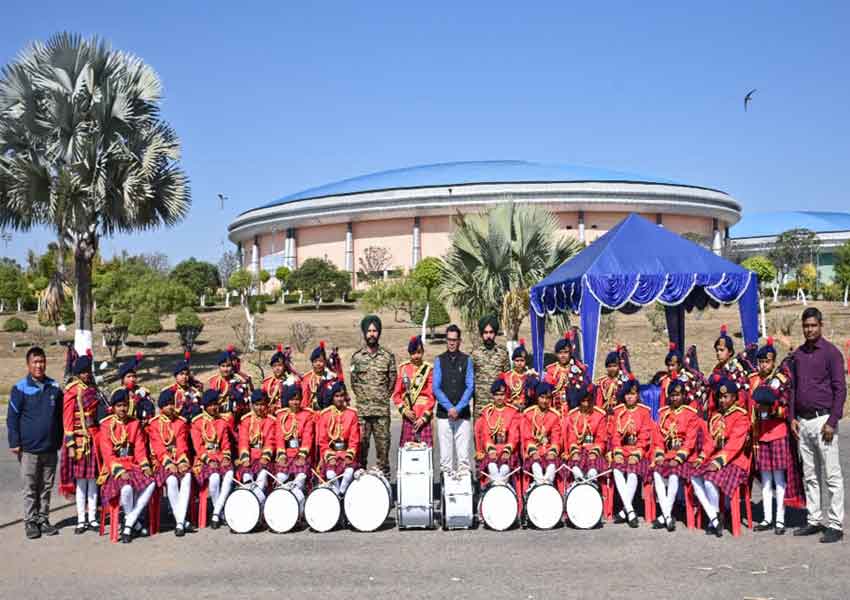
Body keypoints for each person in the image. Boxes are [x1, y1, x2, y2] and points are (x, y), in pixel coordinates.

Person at [790, 307, 845, 543]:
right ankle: (814, 519)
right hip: (803, 422)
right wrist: (792, 416)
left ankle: (835, 523)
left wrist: (833, 420)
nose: (809, 329)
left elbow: (840, 389)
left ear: (820, 325)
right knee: (810, 474)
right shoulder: (798, 355)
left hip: (824, 421)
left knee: (832, 475)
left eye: (813, 325)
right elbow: (793, 388)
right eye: (806, 325)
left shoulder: (831, 353)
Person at [8, 346, 63, 540]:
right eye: (35, 362)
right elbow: (12, 418)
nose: (39, 365)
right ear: (28, 364)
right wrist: (14, 442)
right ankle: (30, 521)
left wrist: (59, 441)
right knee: (30, 487)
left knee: (46, 487)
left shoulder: (55, 388)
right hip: (29, 449)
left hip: (50, 448)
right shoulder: (20, 388)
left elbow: (59, 417)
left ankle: (43, 519)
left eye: (42, 361)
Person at [749, 337, 802, 535]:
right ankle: (766, 518)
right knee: (765, 479)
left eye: (767, 361)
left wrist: (772, 409)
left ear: (773, 362)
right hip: (762, 434)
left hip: (778, 433)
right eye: (761, 361)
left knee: (779, 479)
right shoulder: (756, 381)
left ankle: (780, 520)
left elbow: (786, 406)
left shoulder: (781, 379)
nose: (763, 365)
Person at [690, 378, 751, 537]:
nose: (722, 400)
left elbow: (735, 444)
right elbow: (710, 442)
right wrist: (701, 457)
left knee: (710, 480)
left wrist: (718, 462)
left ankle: (714, 519)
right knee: (694, 476)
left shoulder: (741, 416)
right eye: (720, 397)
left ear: (734, 398)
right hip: (717, 459)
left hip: (735, 461)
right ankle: (715, 517)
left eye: (726, 397)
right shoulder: (716, 416)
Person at [97, 388, 156, 543]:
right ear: (113, 407)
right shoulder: (105, 425)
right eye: (118, 406)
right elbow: (108, 455)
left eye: (124, 405)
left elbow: (140, 449)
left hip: (133, 465)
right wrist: (119, 471)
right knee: (127, 488)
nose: (122, 409)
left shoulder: (134, 423)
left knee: (151, 482)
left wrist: (145, 466)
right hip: (114, 469)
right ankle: (134, 524)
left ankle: (129, 523)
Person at [652, 378, 702, 532]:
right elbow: (658, 438)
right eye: (672, 395)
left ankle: (665, 515)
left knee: (673, 475)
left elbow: (690, 441)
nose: (675, 398)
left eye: (678, 395)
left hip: (683, 457)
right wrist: (660, 455)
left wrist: (679, 458)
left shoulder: (690, 414)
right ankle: (668, 516)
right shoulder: (663, 414)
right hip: (666, 454)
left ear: (683, 396)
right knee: (656, 473)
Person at [349, 315, 396, 478]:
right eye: (369, 331)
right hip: (363, 412)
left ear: (379, 333)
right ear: (364, 333)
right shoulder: (357, 357)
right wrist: (365, 398)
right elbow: (353, 382)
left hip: (381, 412)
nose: (372, 334)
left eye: (375, 331)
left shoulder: (388, 357)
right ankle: (359, 485)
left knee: (383, 453)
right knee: (360, 451)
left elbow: (392, 382)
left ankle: (385, 488)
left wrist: (380, 397)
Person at [60, 351, 101, 534]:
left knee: (93, 481)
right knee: (80, 483)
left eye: (88, 371)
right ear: (77, 373)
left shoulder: (93, 389)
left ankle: (92, 518)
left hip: (92, 439)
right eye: (83, 371)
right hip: (78, 440)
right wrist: (70, 444)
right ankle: (81, 519)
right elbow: (67, 418)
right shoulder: (72, 390)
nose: (86, 374)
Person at [610, 375, 654, 528]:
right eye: (627, 394)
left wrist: (637, 453)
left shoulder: (644, 412)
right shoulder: (618, 411)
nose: (630, 397)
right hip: (622, 449)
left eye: (633, 394)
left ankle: (625, 511)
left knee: (633, 471)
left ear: (638, 396)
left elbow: (645, 436)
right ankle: (630, 510)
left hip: (637, 451)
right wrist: (618, 452)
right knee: (616, 468)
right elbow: (614, 434)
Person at [148, 389, 193, 537]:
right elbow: (158, 447)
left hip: (179, 459)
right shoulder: (154, 424)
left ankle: (179, 522)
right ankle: (181, 521)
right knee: (172, 480)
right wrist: (168, 463)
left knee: (187, 477)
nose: (170, 407)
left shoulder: (180, 423)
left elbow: (182, 444)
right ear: (161, 407)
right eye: (167, 404)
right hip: (162, 462)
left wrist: (181, 461)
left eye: (172, 403)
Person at [433, 324, 475, 473]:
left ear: (459, 341)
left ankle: (464, 493)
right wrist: (449, 407)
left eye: (454, 340)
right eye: (449, 339)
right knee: (445, 460)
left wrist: (458, 408)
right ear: (446, 340)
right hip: (444, 415)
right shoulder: (439, 360)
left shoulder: (467, 360)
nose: (451, 343)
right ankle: (447, 492)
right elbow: (436, 388)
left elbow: (470, 386)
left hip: (462, 415)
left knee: (463, 459)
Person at [191, 390, 235, 529]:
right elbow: (198, 447)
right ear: (204, 406)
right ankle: (220, 513)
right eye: (210, 405)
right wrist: (209, 460)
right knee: (215, 477)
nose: (214, 407)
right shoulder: (197, 423)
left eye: (216, 404)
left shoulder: (222, 422)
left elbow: (226, 444)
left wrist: (226, 457)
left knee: (230, 474)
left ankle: (216, 512)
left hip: (220, 456)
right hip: (203, 460)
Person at [316, 382, 360, 495]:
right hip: (331, 453)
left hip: (346, 453)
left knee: (349, 472)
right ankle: (336, 495)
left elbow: (354, 439)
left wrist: (349, 455)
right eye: (336, 396)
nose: (340, 399)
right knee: (331, 475)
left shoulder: (352, 414)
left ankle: (341, 493)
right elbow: (323, 441)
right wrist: (330, 456)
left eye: (341, 395)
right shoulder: (325, 415)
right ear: (332, 397)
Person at [391, 335, 435, 446]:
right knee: (408, 451)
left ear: (423, 352)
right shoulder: (404, 369)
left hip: (424, 416)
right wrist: (405, 411)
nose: (416, 356)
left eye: (419, 352)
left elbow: (431, 396)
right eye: (413, 353)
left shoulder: (428, 369)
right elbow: (396, 395)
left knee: (425, 451)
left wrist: (424, 418)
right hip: (409, 416)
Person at [475, 379, 521, 483]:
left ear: (506, 395)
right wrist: (491, 450)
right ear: (493, 396)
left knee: (505, 469)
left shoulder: (513, 412)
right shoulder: (487, 412)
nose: (499, 397)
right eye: (496, 395)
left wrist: (507, 450)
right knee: (492, 467)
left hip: (508, 450)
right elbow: (485, 434)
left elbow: (514, 435)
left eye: (502, 394)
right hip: (491, 450)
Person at [273, 385, 314, 492]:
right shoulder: (281, 416)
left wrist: (302, 455)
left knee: (300, 478)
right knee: (281, 478)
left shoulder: (307, 415)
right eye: (292, 399)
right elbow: (279, 437)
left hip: (301, 453)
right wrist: (281, 455)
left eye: (297, 399)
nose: (295, 402)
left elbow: (307, 437)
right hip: (286, 453)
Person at [563, 383, 608, 484]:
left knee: (593, 469)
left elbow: (601, 439)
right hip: (577, 450)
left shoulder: (600, 415)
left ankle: (592, 485)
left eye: (589, 401)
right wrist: (574, 452)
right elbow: (571, 438)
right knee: (575, 467)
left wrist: (594, 452)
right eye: (583, 401)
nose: (586, 404)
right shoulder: (572, 415)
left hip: (594, 451)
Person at [521, 381, 562, 485]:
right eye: (542, 397)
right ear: (537, 397)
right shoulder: (528, 414)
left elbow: (556, 438)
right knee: (536, 469)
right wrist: (533, 452)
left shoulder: (555, 416)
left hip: (549, 451)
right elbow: (527, 438)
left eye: (548, 398)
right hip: (533, 452)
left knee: (551, 469)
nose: (545, 401)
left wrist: (552, 452)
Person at [470, 315, 510, 419]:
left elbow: (508, 379)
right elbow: (469, 379)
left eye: (491, 332)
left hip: (498, 405)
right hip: (480, 408)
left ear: (495, 333)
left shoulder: (503, 353)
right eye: (485, 332)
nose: (488, 336)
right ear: (481, 334)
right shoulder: (475, 353)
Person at [235, 390, 275, 492]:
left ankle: (257, 501)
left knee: (262, 478)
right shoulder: (246, 420)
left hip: (264, 457)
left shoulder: (270, 421)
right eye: (256, 405)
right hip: (249, 457)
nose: (259, 408)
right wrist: (245, 458)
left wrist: (265, 457)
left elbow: (270, 442)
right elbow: (243, 441)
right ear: (252, 405)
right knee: (247, 478)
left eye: (262, 405)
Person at [105, 353, 156, 428]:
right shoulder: (117, 392)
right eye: (128, 377)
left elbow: (150, 409)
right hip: (122, 426)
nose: (132, 379)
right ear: (122, 379)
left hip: (140, 426)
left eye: (134, 376)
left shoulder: (143, 391)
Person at [708, 325, 750, 415]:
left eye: (722, 350)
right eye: (717, 350)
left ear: (730, 352)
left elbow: (742, 395)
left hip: (733, 413)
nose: (718, 353)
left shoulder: (736, 369)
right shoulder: (717, 369)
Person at [207, 348, 249, 433]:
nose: (226, 369)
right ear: (219, 367)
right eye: (223, 366)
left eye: (228, 366)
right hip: (218, 415)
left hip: (236, 415)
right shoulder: (214, 381)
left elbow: (244, 400)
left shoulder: (239, 381)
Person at [544, 331, 588, 410]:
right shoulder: (551, 370)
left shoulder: (579, 368)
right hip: (556, 410)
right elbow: (546, 392)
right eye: (560, 353)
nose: (563, 355)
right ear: (556, 354)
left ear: (570, 353)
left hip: (574, 410)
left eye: (566, 352)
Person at [301, 341, 340, 411]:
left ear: (325, 362)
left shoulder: (332, 377)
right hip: (311, 412)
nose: (318, 364)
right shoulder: (307, 379)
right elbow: (305, 401)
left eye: (321, 361)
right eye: (315, 361)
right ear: (312, 363)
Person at [167, 352, 204, 421]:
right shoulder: (170, 392)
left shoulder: (194, 390)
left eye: (186, 374)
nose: (184, 377)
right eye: (181, 374)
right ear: (176, 376)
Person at [263, 345, 300, 411]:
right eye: (274, 366)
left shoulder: (293, 381)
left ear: (285, 366)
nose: (277, 368)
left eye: (280, 365)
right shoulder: (267, 383)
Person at [501, 339, 535, 409]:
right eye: (517, 361)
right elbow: (503, 396)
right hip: (511, 410)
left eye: (522, 360)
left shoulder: (529, 376)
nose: (519, 363)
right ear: (513, 361)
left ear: (526, 361)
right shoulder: (507, 376)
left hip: (526, 410)